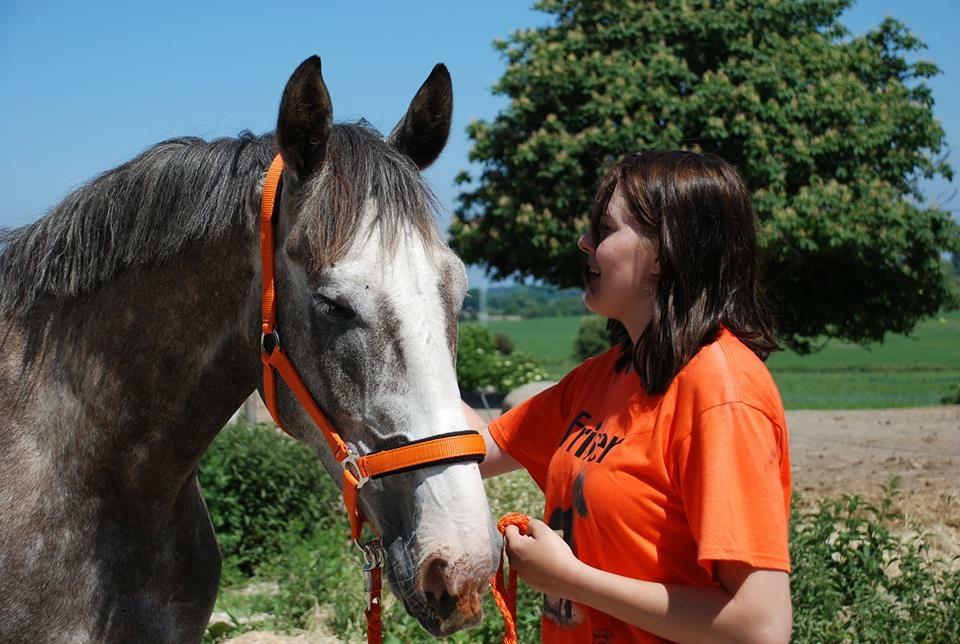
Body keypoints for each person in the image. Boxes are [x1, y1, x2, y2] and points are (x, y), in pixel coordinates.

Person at [464, 150, 793, 643]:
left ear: (663, 252)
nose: (584, 242)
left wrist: (569, 580)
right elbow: (475, 449)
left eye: (603, 229)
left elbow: (760, 628)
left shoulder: (723, 395)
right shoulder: (607, 375)